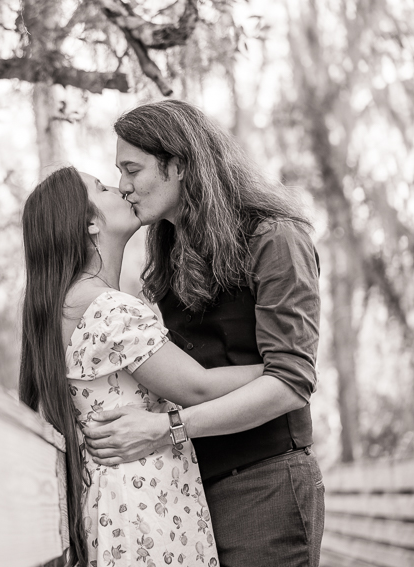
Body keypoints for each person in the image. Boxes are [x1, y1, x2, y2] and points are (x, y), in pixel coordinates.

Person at [82, 100, 324, 567]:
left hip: (264, 482)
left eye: (133, 169)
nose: (123, 186)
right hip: (191, 490)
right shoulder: (171, 251)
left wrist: (165, 430)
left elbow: (290, 383)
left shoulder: (275, 239)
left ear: (179, 164)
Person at [19, 166, 266, 567]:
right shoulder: (107, 307)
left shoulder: (66, 304)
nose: (119, 188)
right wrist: (280, 369)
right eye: (101, 187)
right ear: (90, 223)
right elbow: (197, 387)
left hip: (114, 508)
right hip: (145, 510)